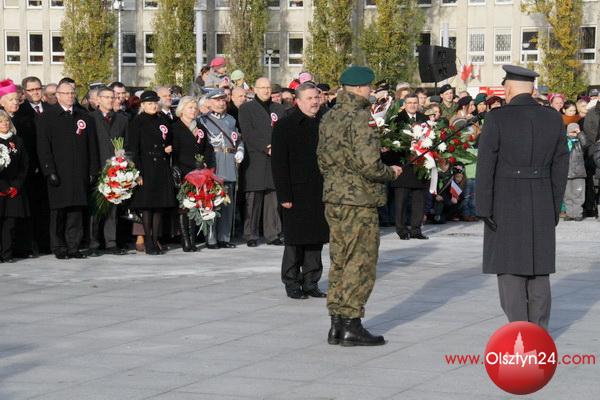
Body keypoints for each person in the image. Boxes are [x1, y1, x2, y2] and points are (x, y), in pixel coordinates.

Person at [476, 65, 569, 330]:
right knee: (539, 270)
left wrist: (483, 207)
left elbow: (486, 165)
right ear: (532, 89)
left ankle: (519, 331)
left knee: (509, 267)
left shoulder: (497, 118)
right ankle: (538, 332)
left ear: (507, 89)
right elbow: (560, 166)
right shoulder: (553, 118)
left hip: (505, 199)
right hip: (541, 196)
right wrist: (553, 206)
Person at [318, 66, 402, 346]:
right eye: (368, 87)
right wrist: (391, 172)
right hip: (359, 200)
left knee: (340, 260)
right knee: (360, 261)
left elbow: (321, 158)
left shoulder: (329, 116)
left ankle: (336, 324)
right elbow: (369, 164)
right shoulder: (362, 117)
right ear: (358, 88)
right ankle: (351, 324)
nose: (371, 91)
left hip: (334, 197)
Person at [272, 82, 329, 300]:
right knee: (295, 240)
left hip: (320, 189)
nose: (314, 102)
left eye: (316, 97)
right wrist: (284, 195)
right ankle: (292, 282)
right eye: (309, 98)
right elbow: (279, 163)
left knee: (316, 239)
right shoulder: (285, 125)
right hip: (295, 191)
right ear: (297, 101)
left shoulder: (325, 122)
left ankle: (311, 281)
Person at [37, 81, 100, 259]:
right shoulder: (47, 117)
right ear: (57, 95)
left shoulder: (84, 117)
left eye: (72, 93)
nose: (70, 96)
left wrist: (93, 170)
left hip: (79, 171)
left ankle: (73, 246)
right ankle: (59, 246)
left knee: (76, 211)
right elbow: (43, 147)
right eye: (66, 93)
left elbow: (92, 146)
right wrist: (49, 170)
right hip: (59, 172)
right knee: (59, 211)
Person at [126, 90, 176, 255]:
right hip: (146, 166)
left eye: (155, 103)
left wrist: (168, 147)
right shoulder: (137, 121)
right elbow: (133, 148)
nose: (153, 106)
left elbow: (169, 138)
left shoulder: (162, 119)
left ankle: (155, 240)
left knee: (159, 206)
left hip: (161, 165)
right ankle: (148, 240)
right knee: (147, 206)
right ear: (143, 105)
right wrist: (137, 172)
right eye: (149, 103)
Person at [238, 77, 286, 247]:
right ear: (255, 89)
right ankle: (251, 234)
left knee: (273, 198)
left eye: (268, 87)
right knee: (254, 198)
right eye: (263, 87)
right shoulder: (246, 108)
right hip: (255, 157)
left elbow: (283, 131)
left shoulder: (279, 109)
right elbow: (248, 133)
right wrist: (266, 147)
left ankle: (273, 234)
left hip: (275, 158)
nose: (266, 90)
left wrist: (278, 147)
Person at [199, 89, 245, 249]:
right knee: (212, 201)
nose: (220, 103)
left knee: (227, 201)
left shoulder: (231, 119)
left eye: (223, 100)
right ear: (209, 102)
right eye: (217, 100)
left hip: (229, 160)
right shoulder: (203, 120)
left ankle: (224, 237)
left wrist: (240, 150)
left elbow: (238, 139)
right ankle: (211, 238)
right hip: (215, 160)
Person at [88, 87, 129, 256]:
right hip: (97, 168)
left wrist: (124, 160)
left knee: (112, 207)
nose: (111, 100)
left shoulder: (122, 119)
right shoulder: (90, 118)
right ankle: (93, 243)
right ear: (98, 100)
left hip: (115, 169)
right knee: (96, 208)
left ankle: (111, 242)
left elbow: (127, 143)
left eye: (113, 97)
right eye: (107, 97)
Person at [382, 93, 429, 240]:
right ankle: (401, 230)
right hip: (402, 164)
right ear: (404, 104)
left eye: (415, 102)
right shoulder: (397, 119)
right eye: (409, 102)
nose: (412, 105)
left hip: (420, 164)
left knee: (419, 199)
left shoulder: (424, 119)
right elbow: (390, 140)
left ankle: (416, 229)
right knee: (401, 200)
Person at [171, 96, 216, 251]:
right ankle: (185, 240)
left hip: (199, 172)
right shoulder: (175, 127)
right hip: (184, 171)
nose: (193, 110)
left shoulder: (200, 127)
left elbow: (207, 148)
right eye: (190, 107)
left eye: (195, 108)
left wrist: (205, 163)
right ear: (182, 109)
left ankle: (193, 239)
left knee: (195, 205)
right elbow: (175, 151)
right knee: (184, 206)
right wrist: (190, 164)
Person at [0, 110, 29, 262]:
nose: (4, 123)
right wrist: (2, 187)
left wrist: (16, 185)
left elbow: (24, 165)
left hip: (14, 189)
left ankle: (7, 254)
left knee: (10, 223)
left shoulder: (18, 141)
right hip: (0, 188)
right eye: (0, 122)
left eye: (6, 121)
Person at [563, 123, 590, 221]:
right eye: (571, 132)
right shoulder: (564, 142)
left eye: (575, 132)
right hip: (566, 173)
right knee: (567, 195)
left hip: (578, 173)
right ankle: (569, 213)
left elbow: (586, 143)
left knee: (578, 195)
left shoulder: (579, 143)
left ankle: (577, 213)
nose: (573, 134)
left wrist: (579, 133)